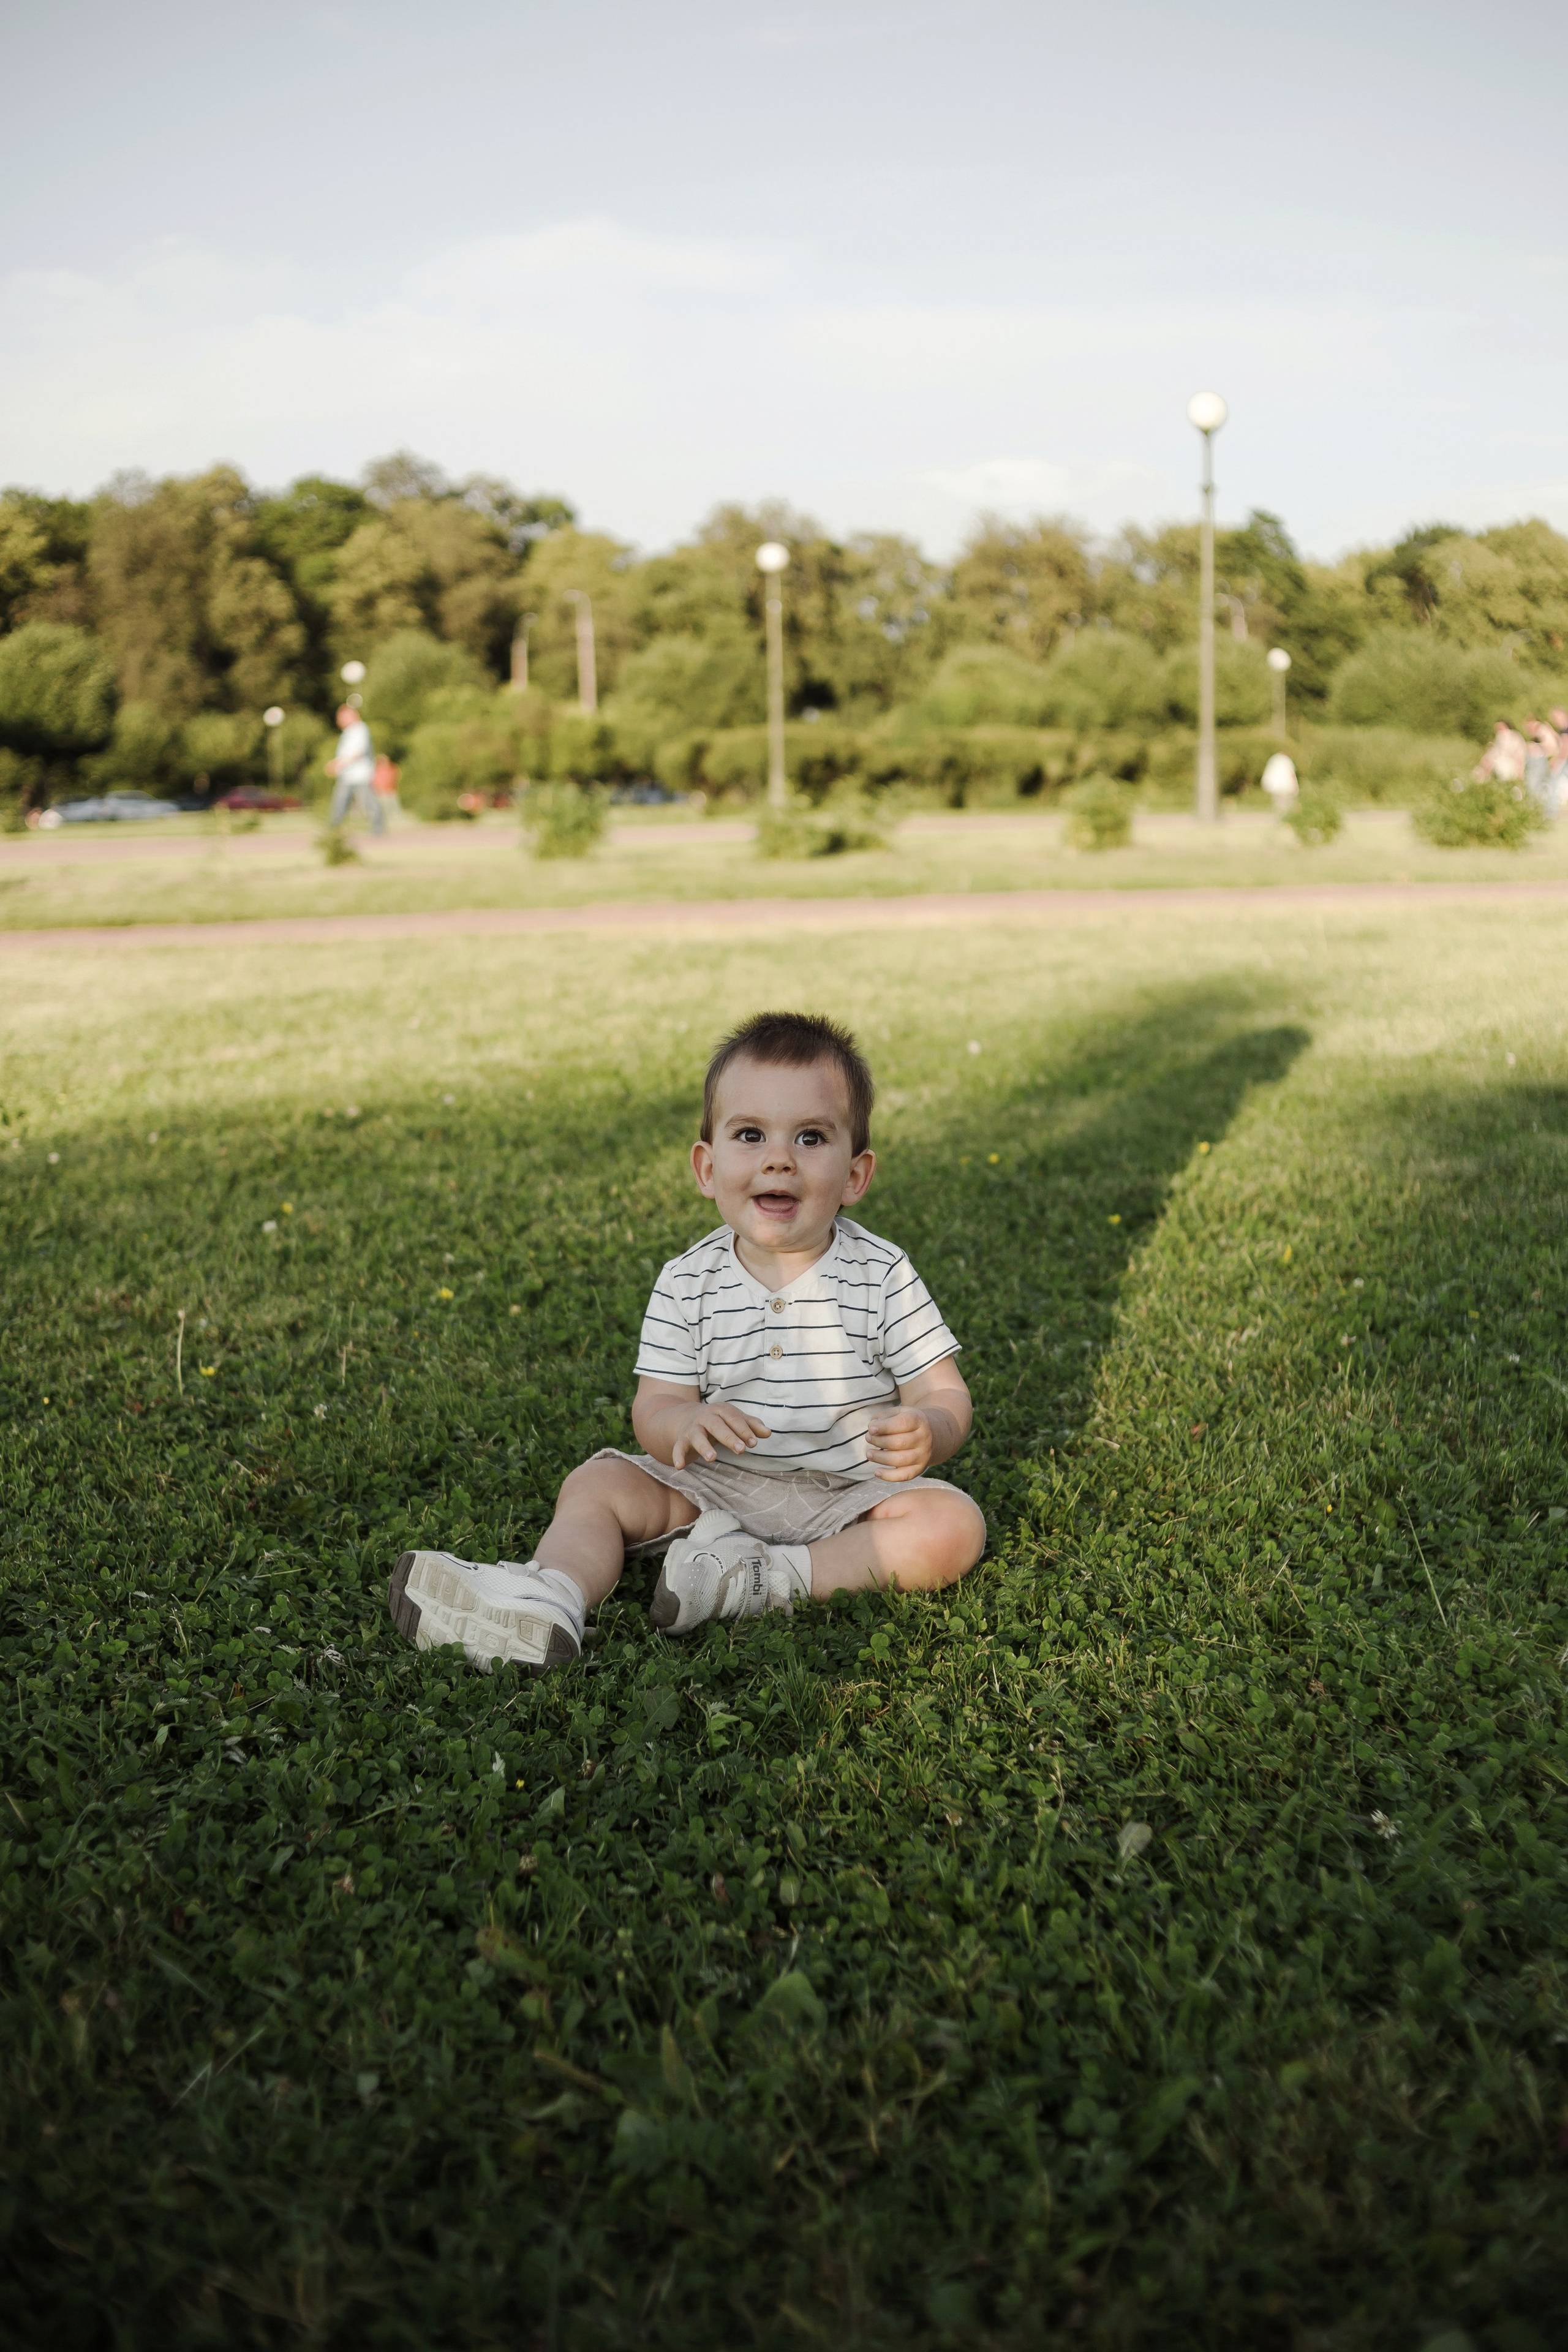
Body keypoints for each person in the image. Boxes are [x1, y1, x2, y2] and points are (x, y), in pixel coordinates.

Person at [386, 1011, 987, 1675]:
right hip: (715, 1489)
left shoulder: (882, 1273)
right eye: (750, 1134)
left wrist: (930, 1427)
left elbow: (942, 1391)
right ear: (707, 1166)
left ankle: (764, 1577)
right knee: (596, 1484)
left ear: (855, 1175)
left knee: (952, 1526)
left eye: (812, 1137)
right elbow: (656, 1409)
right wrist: (687, 1421)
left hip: (847, 1496)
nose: (778, 1158)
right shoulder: (686, 1282)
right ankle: (551, 1593)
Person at [325, 698, 384, 835]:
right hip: (347, 775)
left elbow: (358, 752)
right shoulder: (348, 732)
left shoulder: (360, 729)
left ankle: (379, 830)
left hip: (361, 775)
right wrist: (337, 764)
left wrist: (339, 764)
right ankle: (333, 832)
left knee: (369, 803)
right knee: (339, 804)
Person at [1523, 714, 1562, 816]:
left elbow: (1551, 748)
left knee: (1535, 787)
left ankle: (1541, 812)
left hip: (1541, 762)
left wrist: (1536, 747)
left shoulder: (1542, 731)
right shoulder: (1541, 731)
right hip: (1542, 762)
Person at [1474, 718, 1528, 786]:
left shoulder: (1513, 737)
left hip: (1510, 766)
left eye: (1500, 727)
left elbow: (1520, 754)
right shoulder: (1501, 737)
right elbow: (1494, 752)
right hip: (1502, 766)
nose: (1498, 730)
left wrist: (1520, 771)